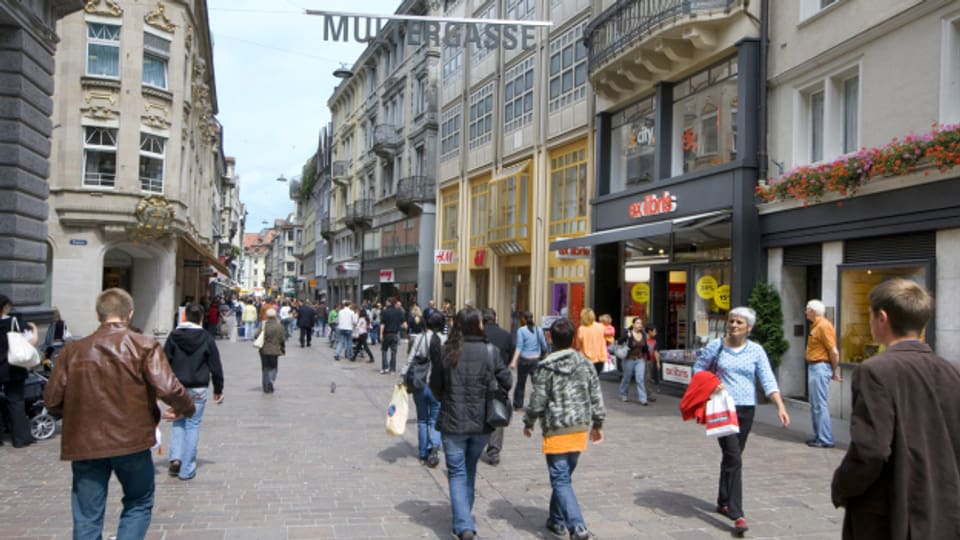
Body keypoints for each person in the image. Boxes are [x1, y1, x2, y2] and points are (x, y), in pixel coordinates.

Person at [43, 288, 195, 539]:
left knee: (87, 515)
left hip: (85, 441)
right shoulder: (144, 345)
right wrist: (185, 409)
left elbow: (51, 399)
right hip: (131, 439)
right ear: (130, 314)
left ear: (98, 315)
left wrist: (78, 412)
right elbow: (168, 387)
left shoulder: (72, 351)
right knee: (138, 502)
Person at [831, 279, 960, 539]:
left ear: (882, 317)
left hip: (893, 513)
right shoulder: (952, 372)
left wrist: (842, 485)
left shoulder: (875, 371)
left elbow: (871, 450)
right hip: (943, 509)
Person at [692, 306, 790, 536]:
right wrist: (713, 384)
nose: (734, 325)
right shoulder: (716, 347)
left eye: (739, 323)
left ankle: (723, 500)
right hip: (723, 408)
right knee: (734, 456)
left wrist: (780, 406)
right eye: (732, 321)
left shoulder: (756, 350)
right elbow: (698, 369)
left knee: (732, 456)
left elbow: (767, 378)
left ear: (749, 328)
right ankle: (737, 514)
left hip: (747, 410)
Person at [430, 307, 512, 540]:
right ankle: (463, 520)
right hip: (480, 424)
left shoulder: (448, 352)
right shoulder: (490, 351)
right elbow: (508, 380)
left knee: (457, 473)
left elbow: (435, 389)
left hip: (453, 423)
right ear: (477, 325)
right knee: (469, 469)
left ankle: (463, 523)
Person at [522, 317, 606, 540]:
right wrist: (597, 424)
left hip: (557, 429)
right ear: (572, 339)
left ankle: (577, 526)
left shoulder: (546, 367)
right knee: (564, 477)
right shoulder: (585, 364)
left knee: (560, 479)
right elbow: (596, 397)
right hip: (578, 427)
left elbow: (538, 400)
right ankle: (556, 520)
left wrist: (529, 422)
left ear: (551, 339)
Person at [162, 303, 224, 481]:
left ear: (185, 317)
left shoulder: (174, 336)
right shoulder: (206, 337)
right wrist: (218, 389)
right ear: (202, 318)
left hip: (177, 387)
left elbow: (165, 361)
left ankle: (175, 459)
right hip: (198, 387)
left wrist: (165, 387)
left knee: (178, 422)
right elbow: (215, 365)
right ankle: (187, 469)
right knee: (193, 424)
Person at [402, 311, 446, 467]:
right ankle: (434, 446)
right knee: (435, 419)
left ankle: (423, 452)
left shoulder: (419, 338)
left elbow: (410, 360)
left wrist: (403, 378)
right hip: (437, 386)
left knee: (422, 419)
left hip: (420, 383)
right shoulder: (444, 340)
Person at [0, 294, 39, 447]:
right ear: (5, 307)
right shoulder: (15, 322)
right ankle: (20, 438)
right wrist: (35, 329)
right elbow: (32, 341)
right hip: (12, 367)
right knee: (15, 401)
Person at [804, 299, 840, 448]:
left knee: (819, 404)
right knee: (816, 404)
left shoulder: (824, 326)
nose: (805, 312)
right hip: (816, 366)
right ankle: (820, 436)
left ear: (813, 311)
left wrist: (834, 371)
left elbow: (834, 351)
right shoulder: (817, 326)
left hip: (820, 366)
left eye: (807, 309)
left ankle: (825, 439)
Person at [481, 307, 514, 466]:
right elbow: (510, 354)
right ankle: (494, 452)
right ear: (495, 318)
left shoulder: (477, 336)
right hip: (499, 379)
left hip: (479, 379)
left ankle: (476, 444)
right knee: (497, 413)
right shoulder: (505, 335)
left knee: (479, 412)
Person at [510, 311, 548, 410]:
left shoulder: (521, 330)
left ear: (523, 319)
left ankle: (518, 405)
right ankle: (538, 404)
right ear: (533, 318)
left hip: (523, 361)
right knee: (536, 384)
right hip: (535, 360)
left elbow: (519, 347)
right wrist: (544, 356)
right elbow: (544, 345)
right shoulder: (539, 330)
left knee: (520, 383)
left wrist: (514, 361)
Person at [618, 317, 651, 405]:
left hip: (639, 359)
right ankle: (623, 394)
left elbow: (645, 346)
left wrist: (647, 356)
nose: (640, 325)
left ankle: (643, 399)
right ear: (633, 325)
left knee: (640, 378)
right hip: (629, 359)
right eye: (637, 323)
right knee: (627, 378)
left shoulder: (643, 334)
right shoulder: (628, 333)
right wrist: (626, 336)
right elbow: (619, 341)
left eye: (640, 323)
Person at [255, 308, 285, 393]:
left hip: (264, 350)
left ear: (267, 315)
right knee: (274, 367)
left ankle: (265, 386)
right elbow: (282, 338)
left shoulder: (264, 325)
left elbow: (256, 335)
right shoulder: (279, 326)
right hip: (275, 350)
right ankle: (271, 381)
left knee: (265, 368)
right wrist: (282, 348)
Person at [576, 308, 608, 377]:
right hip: (600, 358)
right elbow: (607, 339)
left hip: (586, 359)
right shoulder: (601, 327)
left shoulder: (581, 329)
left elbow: (578, 346)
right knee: (596, 379)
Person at [380, 298, 405, 374]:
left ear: (389, 302)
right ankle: (392, 369)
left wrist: (380, 334)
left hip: (387, 334)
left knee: (384, 351)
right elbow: (404, 324)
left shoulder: (385, 312)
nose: (385, 302)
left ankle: (385, 367)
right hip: (395, 334)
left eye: (387, 301)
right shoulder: (399, 312)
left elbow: (382, 324)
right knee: (393, 352)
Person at [645, 324, 661, 394]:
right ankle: (647, 393)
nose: (655, 333)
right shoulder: (643, 339)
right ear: (649, 331)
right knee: (646, 377)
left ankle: (647, 393)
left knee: (648, 377)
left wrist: (657, 362)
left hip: (650, 361)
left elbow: (656, 351)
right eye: (654, 331)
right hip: (642, 360)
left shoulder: (654, 341)